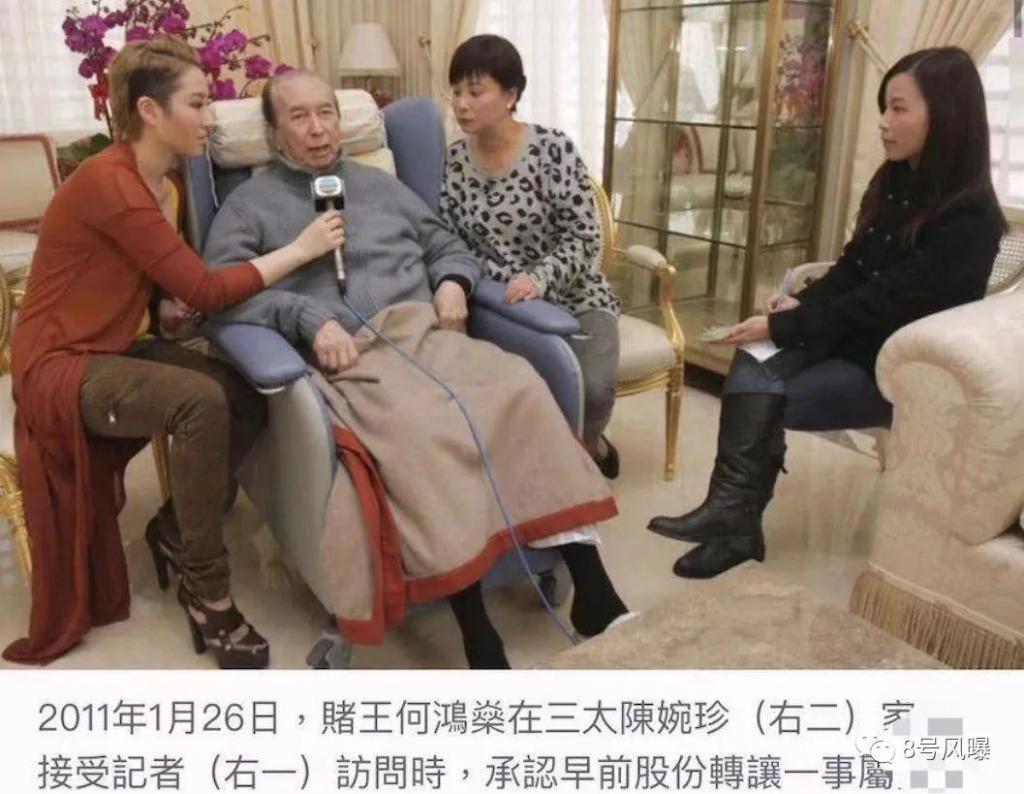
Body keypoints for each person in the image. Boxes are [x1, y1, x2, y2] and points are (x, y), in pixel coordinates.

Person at [202, 69, 630, 669]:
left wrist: (453, 282)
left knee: (520, 390)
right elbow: (220, 293)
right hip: (348, 353)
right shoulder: (250, 205)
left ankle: (594, 589)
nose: (318, 128)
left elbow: (445, 246)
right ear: (274, 133)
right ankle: (477, 631)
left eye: (326, 112)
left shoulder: (381, 186)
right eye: (299, 117)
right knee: (421, 427)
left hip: (426, 332)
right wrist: (305, 317)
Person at [2, 37, 346, 669]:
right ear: (150, 111)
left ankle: (171, 530)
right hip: (59, 363)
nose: (210, 118)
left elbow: (156, 272)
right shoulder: (110, 182)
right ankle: (207, 591)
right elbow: (207, 288)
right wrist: (301, 250)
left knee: (243, 391)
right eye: (197, 103)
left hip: (115, 344)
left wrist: (160, 303)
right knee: (198, 402)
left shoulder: (166, 182)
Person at [647, 46, 1008, 579]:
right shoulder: (895, 180)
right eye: (884, 108)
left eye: (898, 109)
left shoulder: (970, 218)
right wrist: (804, 303)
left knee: (765, 393)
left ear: (947, 115)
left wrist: (788, 323)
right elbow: (854, 268)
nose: (883, 123)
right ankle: (733, 518)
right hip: (848, 334)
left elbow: (883, 301)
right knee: (752, 355)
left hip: (890, 365)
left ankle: (733, 522)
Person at [440, 34, 622, 478]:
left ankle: (590, 448)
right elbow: (449, 241)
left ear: (511, 95)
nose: (462, 104)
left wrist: (540, 278)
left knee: (593, 389)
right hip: (503, 306)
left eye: (475, 92)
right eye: (456, 92)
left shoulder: (552, 148)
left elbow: (585, 236)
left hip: (576, 295)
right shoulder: (454, 162)